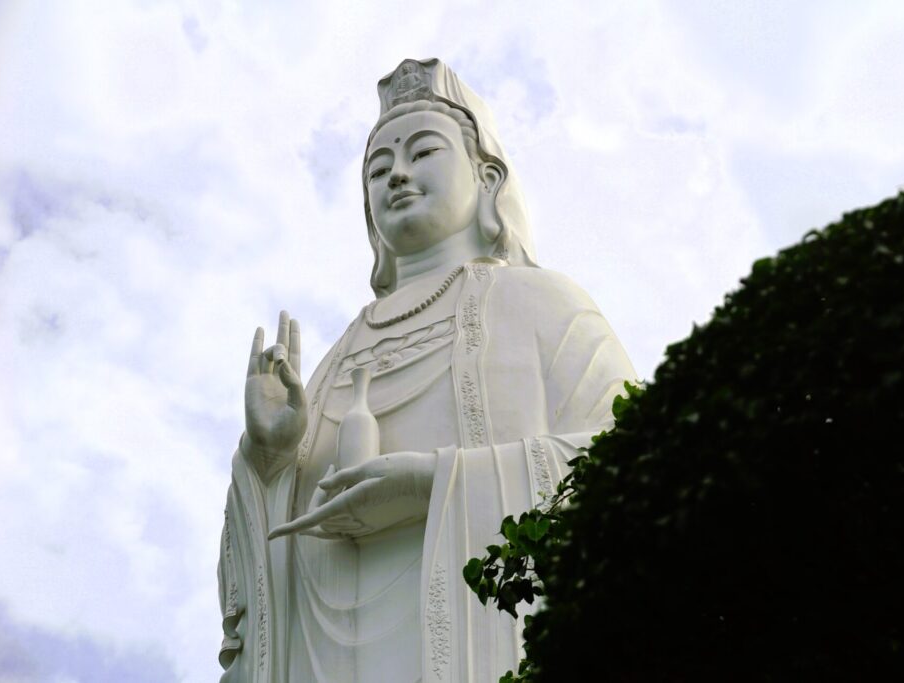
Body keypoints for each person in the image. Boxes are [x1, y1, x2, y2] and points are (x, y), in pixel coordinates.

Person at [217, 58, 636, 682]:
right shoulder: (334, 360)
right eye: (378, 170)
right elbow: (264, 580)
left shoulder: (540, 302)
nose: (399, 176)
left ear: (486, 176)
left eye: (422, 152)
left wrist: (435, 484)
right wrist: (270, 460)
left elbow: (634, 467)